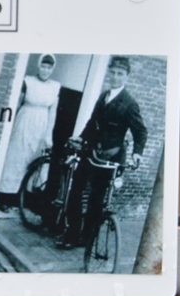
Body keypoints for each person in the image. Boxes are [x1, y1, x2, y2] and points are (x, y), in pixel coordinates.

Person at [58, 56, 147, 248]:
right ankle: (71, 233)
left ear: (126, 76)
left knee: (96, 199)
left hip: (111, 157)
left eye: (120, 74)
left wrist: (137, 153)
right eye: (112, 72)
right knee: (75, 190)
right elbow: (93, 122)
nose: (115, 77)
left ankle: (86, 238)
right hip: (91, 152)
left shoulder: (129, 103)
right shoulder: (103, 96)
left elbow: (140, 131)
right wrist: (81, 137)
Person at [0, 54, 61, 217]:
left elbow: (53, 113)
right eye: (43, 66)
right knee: (16, 158)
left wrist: (49, 135)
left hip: (42, 123)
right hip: (24, 121)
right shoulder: (28, 81)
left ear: (52, 69)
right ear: (39, 66)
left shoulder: (55, 87)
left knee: (35, 161)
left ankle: (25, 199)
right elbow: (18, 103)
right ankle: (5, 198)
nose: (45, 70)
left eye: (49, 67)